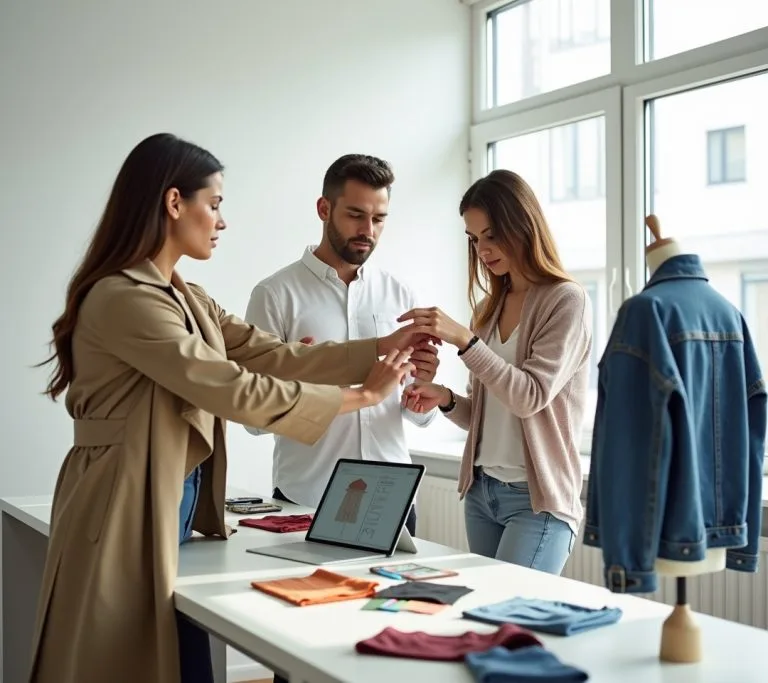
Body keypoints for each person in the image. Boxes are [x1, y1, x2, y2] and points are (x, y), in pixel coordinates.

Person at [28, 133, 430, 683]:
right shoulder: (126, 297)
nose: (222, 221)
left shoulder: (185, 295)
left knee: (175, 649)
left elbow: (272, 354)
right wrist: (360, 395)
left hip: (168, 499)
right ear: (175, 204)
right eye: (214, 204)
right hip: (122, 498)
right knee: (127, 657)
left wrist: (377, 350)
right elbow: (231, 387)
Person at [400, 169, 592, 576]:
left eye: (491, 235)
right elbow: (491, 415)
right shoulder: (489, 310)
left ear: (522, 224)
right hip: (482, 494)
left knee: (508, 615)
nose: (482, 249)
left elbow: (529, 397)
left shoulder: (565, 300)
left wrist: (465, 342)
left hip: (537, 500)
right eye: (474, 239)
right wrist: (449, 400)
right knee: (484, 622)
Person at [244, 153, 439, 536]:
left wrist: (422, 394)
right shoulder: (274, 295)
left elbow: (417, 415)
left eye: (379, 218)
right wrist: (299, 377)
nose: (368, 229)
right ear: (324, 208)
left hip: (393, 498)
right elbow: (252, 417)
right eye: (355, 215)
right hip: (306, 499)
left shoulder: (401, 294)